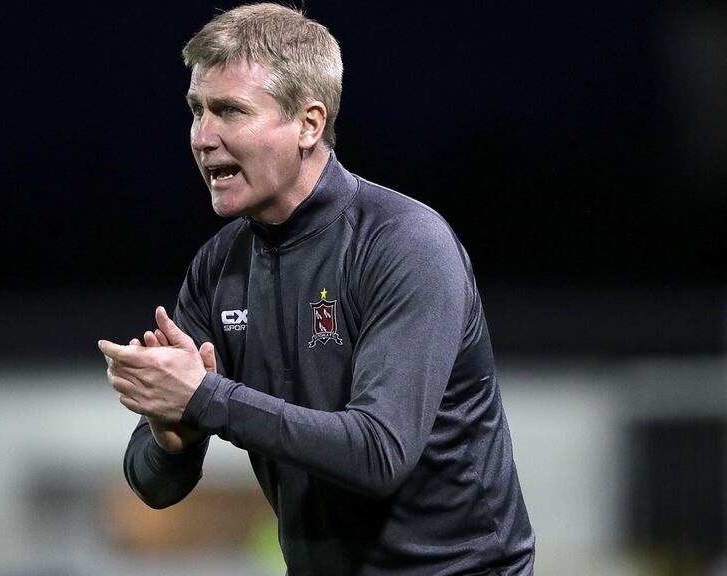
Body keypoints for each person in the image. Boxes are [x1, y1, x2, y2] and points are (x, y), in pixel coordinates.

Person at [99, 4, 535, 574]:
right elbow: (155, 486)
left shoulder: (403, 243)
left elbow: (379, 453)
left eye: (230, 110)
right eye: (196, 111)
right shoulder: (217, 268)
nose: (203, 137)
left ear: (308, 123)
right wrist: (170, 435)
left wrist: (205, 398)